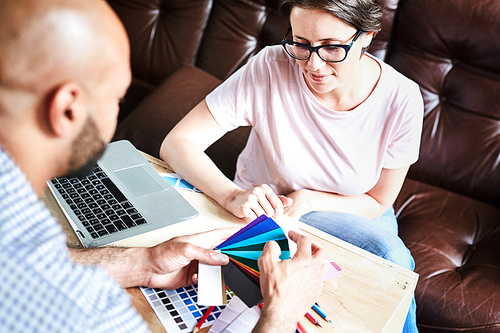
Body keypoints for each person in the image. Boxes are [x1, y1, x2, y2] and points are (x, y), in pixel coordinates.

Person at [0, 0, 327, 332]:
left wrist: (143, 263)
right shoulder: (86, 311)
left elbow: (36, 258)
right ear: (68, 110)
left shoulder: (16, 211)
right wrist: (281, 314)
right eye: (117, 98)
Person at [161, 0, 424, 331]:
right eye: (301, 44)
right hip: (265, 210)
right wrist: (231, 195)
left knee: (392, 261)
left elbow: (378, 201)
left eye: (332, 48)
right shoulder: (271, 66)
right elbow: (177, 143)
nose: (313, 64)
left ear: (368, 35)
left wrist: (309, 199)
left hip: (353, 208)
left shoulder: (402, 100)